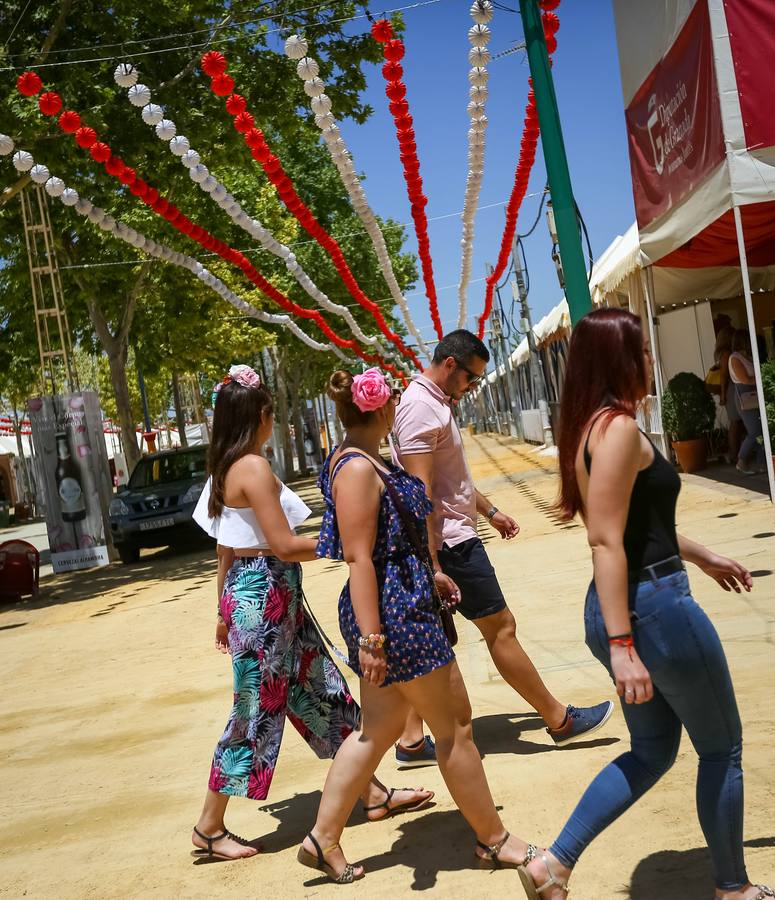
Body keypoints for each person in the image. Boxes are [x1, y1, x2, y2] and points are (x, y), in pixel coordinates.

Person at [518, 308, 771, 900]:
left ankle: (554, 863)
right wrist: (623, 645)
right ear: (620, 360)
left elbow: (637, 527)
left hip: (632, 602)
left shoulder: (592, 428)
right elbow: (604, 539)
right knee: (722, 747)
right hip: (651, 608)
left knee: (654, 749)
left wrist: (704, 556)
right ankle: (733, 889)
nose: (653, 362)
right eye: (645, 352)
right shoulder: (618, 430)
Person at [298, 368, 538, 884]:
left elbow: (388, 545)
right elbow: (360, 559)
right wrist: (371, 640)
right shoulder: (358, 469)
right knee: (455, 725)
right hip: (394, 614)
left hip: (401, 602)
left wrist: (432, 574)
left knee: (377, 730)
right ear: (382, 411)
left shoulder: (361, 460)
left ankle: (323, 838)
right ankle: (493, 840)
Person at [190, 365, 430, 862]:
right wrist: (345, 544)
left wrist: (222, 610)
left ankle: (373, 792)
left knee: (324, 691)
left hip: (257, 594)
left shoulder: (227, 467)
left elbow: (225, 553)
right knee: (256, 708)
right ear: (257, 416)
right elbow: (280, 543)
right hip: (265, 596)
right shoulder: (252, 468)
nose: (272, 420)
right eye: (270, 412)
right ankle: (209, 826)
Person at [391, 330, 613, 764]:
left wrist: (490, 511)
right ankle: (558, 720)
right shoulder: (421, 408)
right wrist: (432, 563)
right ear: (451, 365)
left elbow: (450, 482)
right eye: (471, 378)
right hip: (449, 543)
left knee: (433, 640)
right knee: (500, 627)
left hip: (451, 535)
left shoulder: (434, 403)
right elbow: (421, 493)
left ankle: (411, 740)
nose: (473, 387)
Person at [729, 330, 765, 476]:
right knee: (755, 431)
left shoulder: (747, 356)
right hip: (745, 397)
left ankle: (762, 463)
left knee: (762, 430)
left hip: (754, 395)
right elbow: (744, 379)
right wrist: (760, 378)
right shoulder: (735, 358)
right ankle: (741, 460)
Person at [715, 325, 744, 465]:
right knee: (735, 422)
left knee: (735, 422)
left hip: (728, 390)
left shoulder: (720, 353)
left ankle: (736, 453)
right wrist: (723, 395)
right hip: (731, 390)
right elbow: (724, 375)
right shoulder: (727, 353)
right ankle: (734, 454)